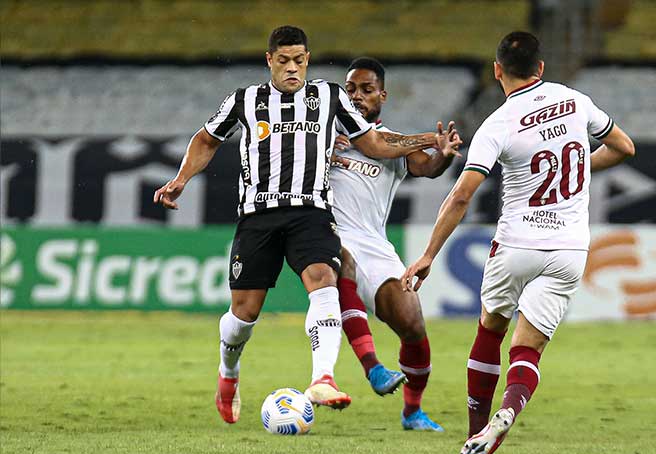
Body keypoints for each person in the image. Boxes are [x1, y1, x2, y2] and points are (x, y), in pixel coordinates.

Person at [153, 26, 443, 424]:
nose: (293, 68)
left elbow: (375, 144)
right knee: (243, 316)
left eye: (300, 60)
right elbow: (206, 140)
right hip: (258, 216)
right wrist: (181, 179)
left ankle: (322, 378)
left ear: (308, 59)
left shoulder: (329, 97)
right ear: (269, 60)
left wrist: (427, 139)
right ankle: (229, 373)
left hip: (311, 211)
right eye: (284, 61)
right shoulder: (245, 100)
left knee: (325, 280)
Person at [401, 31, 635, 454]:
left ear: (496, 71)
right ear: (540, 68)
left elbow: (461, 195)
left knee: (491, 327)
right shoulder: (575, 100)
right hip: (568, 249)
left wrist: (429, 254)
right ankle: (507, 411)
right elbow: (624, 147)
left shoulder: (498, 123)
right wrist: (580, 167)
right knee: (528, 349)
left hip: (516, 243)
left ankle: (475, 432)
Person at [330, 57, 462, 431]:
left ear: (382, 96)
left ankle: (412, 411)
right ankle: (372, 367)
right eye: (351, 89)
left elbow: (426, 167)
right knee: (341, 261)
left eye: (367, 90)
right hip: (328, 234)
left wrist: (443, 157)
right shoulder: (323, 133)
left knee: (412, 324)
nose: (357, 97)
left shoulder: (393, 142)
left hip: (373, 242)